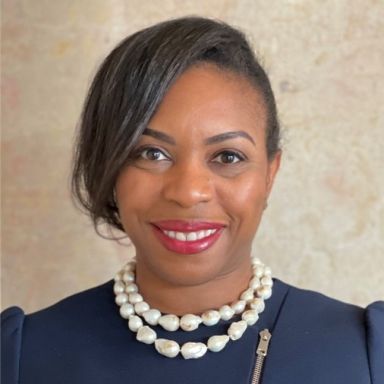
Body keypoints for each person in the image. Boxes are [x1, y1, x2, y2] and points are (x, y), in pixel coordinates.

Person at [1, 16, 383, 384]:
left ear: (270, 173)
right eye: (151, 153)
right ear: (110, 164)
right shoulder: (21, 356)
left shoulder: (365, 355)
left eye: (227, 157)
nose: (188, 192)